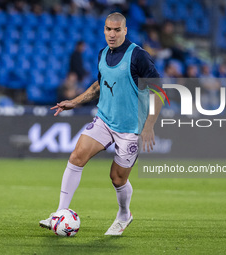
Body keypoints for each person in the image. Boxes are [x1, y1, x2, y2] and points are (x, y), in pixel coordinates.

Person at [39, 12, 162, 236]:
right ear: (104, 30)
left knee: (117, 178)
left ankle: (124, 215)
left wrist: (149, 125)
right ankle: (59, 212)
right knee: (77, 156)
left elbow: (158, 91)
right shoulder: (103, 53)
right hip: (104, 120)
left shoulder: (138, 56)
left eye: (117, 30)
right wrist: (74, 103)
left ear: (125, 30)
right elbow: (99, 85)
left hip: (130, 128)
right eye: (108, 29)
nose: (112, 34)